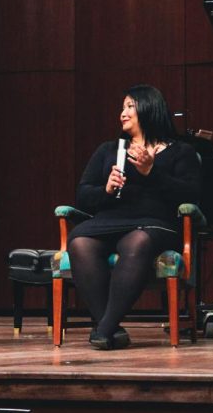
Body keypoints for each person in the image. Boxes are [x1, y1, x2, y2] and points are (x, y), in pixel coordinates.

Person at [69, 84, 201, 350]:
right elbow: (83, 194)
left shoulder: (180, 151)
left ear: (148, 108)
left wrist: (151, 171)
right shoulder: (108, 150)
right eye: (123, 107)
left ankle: (104, 328)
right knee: (80, 241)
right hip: (111, 219)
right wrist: (105, 190)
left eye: (130, 106)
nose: (123, 113)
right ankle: (111, 326)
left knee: (136, 241)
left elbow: (191, 194)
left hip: (155, 222)